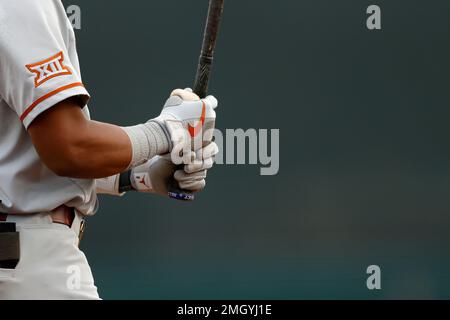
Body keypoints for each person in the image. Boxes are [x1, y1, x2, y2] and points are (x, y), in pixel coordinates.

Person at [0, 0, 218, 299]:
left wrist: (136, 175)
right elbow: (69, 148)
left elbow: (26, 155)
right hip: (28, 268)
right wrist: (169, 131)